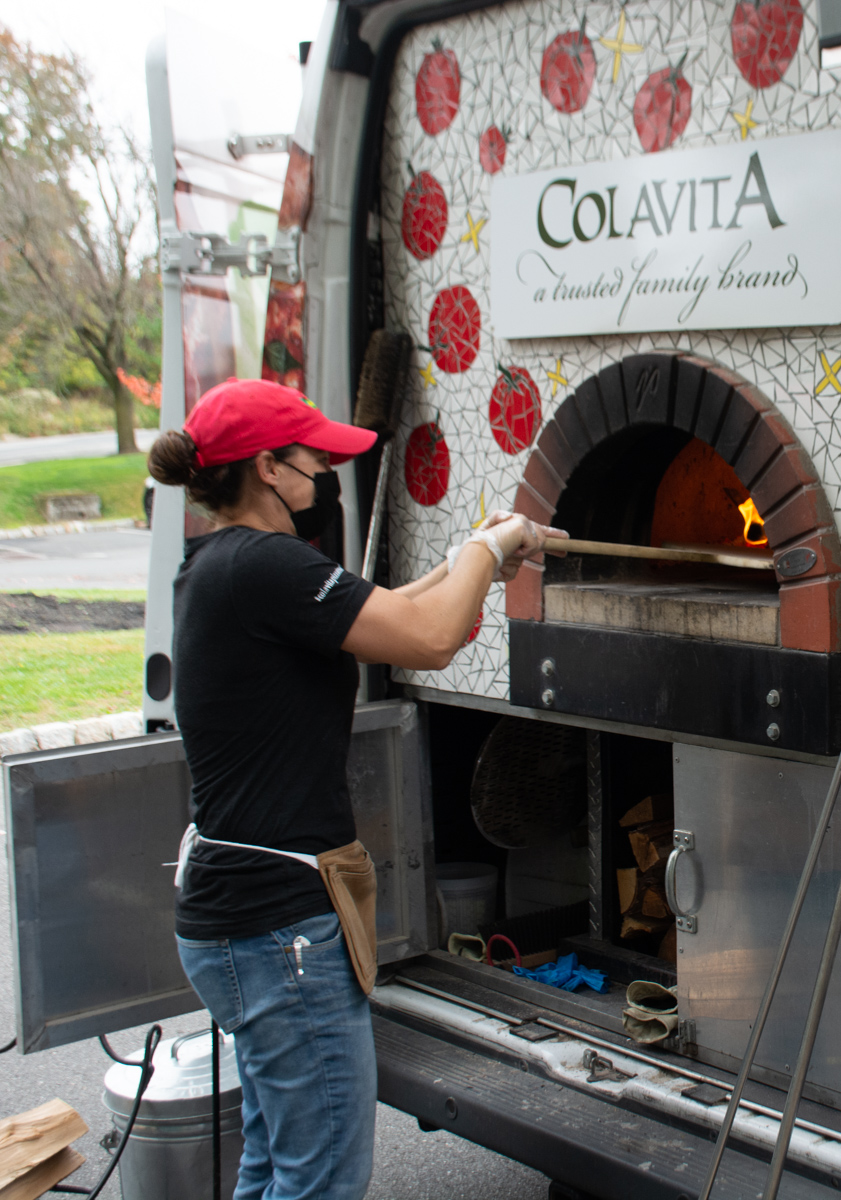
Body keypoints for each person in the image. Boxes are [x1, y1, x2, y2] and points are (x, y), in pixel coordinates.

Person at [146, 378, 563, 1200]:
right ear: (269, 469)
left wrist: (463, 560)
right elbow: (433, 640)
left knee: (276, 1164)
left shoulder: (223, 566)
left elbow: (385, 612)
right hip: (278, 932)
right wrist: (494, 546)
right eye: (312, 461)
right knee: (323, 1178)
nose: (321, 476)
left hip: (240, 918)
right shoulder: (268, 565)